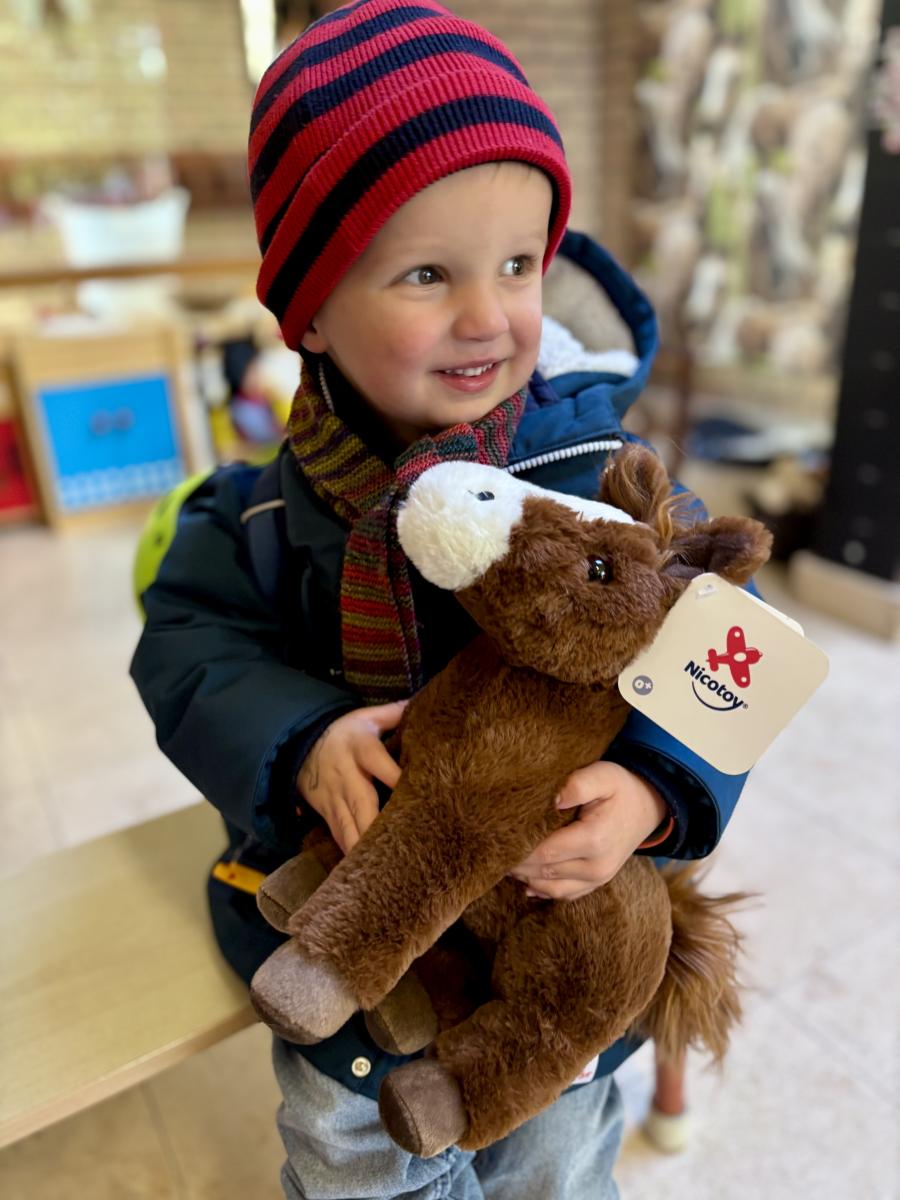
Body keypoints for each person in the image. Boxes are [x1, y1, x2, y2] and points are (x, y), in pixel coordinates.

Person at [131, 2, 751, 1195]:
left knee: (553, 1152)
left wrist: (656, 792)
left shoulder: (603, 478)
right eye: (427, 273)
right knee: (353, 1143)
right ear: (311, 309)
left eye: (518, 266)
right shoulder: (253, 513)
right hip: (361, 919)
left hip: (552, 926)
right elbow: (187, 646)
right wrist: (299, 737)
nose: (487, 316)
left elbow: (726, 651)